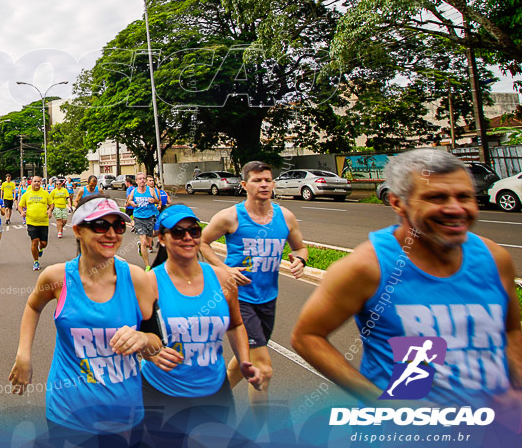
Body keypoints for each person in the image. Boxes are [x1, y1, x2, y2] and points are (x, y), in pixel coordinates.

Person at [291, 148, 522, 411]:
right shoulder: (367, 267)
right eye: (436, 197)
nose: (455, 209)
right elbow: (308, 336)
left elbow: (511, 329)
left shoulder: (494, 258)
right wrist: (378, 400)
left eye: (464, 196)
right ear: (397, 202)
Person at [9, 194, 157, 447]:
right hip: (68, 414)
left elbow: (156, 346)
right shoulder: (56, 277)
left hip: (124, 415)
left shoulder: (137, 279)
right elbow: (33, 307)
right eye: (100, 225)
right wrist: (23, 355)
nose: (111, 234)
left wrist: (143, 339)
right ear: (77, 230)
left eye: (118, 226)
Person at [142, 204, 262, 445]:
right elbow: (134, 334)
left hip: (215, 392)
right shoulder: (149, 282)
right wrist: (150, 353)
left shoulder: (223, 278)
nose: (187, 237)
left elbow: (236, 325)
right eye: (177, 232)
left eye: (194, 231)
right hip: (162, 393)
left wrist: (245, 360)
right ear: (162, 239)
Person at [198, 160, 307, 417]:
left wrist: (300, 260)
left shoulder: (285, 217)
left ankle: (210, 401)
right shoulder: (230, 216)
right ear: (245, 185)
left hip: (268, 298)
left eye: (268, 180)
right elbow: (202, 242)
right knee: (263, 370)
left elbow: (300, 247)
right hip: (238, 299)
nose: (264, 184)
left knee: (242, 362)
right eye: (258, 180)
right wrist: (223, 269)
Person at [126, 173, 162, 271]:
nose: (142, 180)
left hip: (150, 217)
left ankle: (141, 246)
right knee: (144, 241)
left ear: (145, 181)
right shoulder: (134, 191)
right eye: (140, 179)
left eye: (143, 179)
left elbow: (158, 200)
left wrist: (153, 200)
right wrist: (132, 203)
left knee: (149, 243)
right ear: (136, 181)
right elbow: (129, 201)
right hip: (138, 218)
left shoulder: (151, 190)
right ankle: (147, 266)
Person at [19, 176, 54, 271]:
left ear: (41, 183)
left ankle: (41, 248)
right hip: (31, 222)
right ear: (31, 183)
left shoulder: (45, 193)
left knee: (43, 243)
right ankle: (36, 261)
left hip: (43, 222)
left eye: (39, 181)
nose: (37, 183)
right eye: (35, 181)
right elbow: (20, 206)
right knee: (34, 241)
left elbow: (51, 204)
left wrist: (50, 210)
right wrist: (22, 212)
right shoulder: (27, 194)